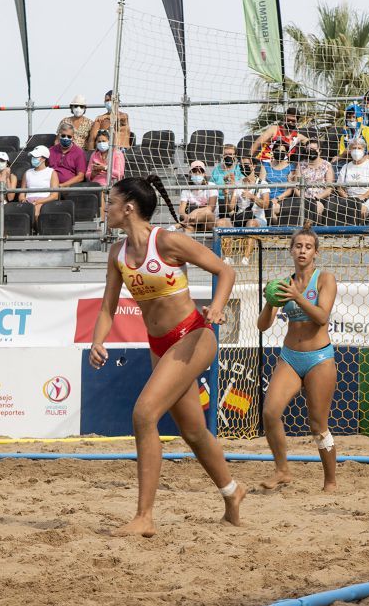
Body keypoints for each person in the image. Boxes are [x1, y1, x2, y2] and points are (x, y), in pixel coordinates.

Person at [89, 175, 243, 537]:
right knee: (193, 431)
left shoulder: (168, 241)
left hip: (194, 334)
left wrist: (217, 307)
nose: (105, 207)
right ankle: (233, 492)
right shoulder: (118, 254)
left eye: (110, 201)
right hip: (161, 347)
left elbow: (226, 269)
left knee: (144, 414)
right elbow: (107, 308)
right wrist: (98, 341)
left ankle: (144, 517)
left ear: (128, 207)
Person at [258, 228, 339, 492]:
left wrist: (296, 297)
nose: (302, 250)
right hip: (290, 357)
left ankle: (330, 481)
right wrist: (271, 301)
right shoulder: (283, 284)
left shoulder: (325, 279)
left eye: (308, 246)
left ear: (316, 252)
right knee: (270, 412)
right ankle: (282, 470)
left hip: (319, 358)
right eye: (298, 246)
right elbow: (262, 326)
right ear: (291, 250)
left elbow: (322, 317)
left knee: (317, 425)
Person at [220, 156, 268, 265]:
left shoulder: (262, 184)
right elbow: (231, 208)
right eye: (241, 165)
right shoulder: (238, 183)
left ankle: (245, 258)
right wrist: (227, 195)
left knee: (251, 223)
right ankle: (228, 257)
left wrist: (252, 197)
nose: (243, 167)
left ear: (253, 166)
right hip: (240, 217)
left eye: (246, 164)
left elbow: (265, 205)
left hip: (257, 219)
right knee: (221, 222)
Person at [336, 137, 369, 221]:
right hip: (350, 198)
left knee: (360, 211)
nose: (356, 150)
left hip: (368, 198)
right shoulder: (345, 167)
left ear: (364, 150)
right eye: (354, 148)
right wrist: (347, 198)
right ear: (350, 150)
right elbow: (339, 187)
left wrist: (363, 197)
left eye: (359, 148)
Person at [291, 139, 334, 227]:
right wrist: (303, 198)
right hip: (303, 197)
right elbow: (296, 187)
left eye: (314, 149)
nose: (312, 151)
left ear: (320, 151)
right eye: (309, 149)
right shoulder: (301, 165)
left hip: (320, 198)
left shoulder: (327, 165)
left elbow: (329, 189)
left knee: (316, 207)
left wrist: (316, 198)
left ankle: (317, 230)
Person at [86, 129, 126, 217]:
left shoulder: (117, 154)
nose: (101, 143)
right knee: (97, 191)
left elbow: (119, 173)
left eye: (104, 141)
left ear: (109, 141)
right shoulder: (94, 155)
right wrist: (94, 173)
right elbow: (88, 175)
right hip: (96, 185)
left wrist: (105, 168)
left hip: (111, 185)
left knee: (101, 193)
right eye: (99, 141)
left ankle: (103, 223)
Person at [20, 145, 59, 222]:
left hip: (44, 201)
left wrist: (38, 202)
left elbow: (55, 196)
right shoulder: (27, 173)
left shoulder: (52, 172)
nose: (33, 158)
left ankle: (38, 232)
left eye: (36, 156)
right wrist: (22, 199)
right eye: (33, 156)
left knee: (36, 212)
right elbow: (21, 193)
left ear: (44, 158)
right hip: (28, 202)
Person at [178, 160, 219, 232]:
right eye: (194, 171)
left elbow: (211, 208)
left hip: (209, 222)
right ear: (190, 173)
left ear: (204, 174)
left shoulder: (211, 186)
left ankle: (177, 225)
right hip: (192, 222)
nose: (197, 173)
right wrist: (188, 217)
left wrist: (195, 212)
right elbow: (181, 211)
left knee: (208, 214)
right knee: (187, 230)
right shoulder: (186, 190)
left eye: (200, 171)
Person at [49, 122, 89, 188]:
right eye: (63, 136)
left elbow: (80, 176)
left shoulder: (79, 152)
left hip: (68, 187)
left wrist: (62, 185)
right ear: (59, 135)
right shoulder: (51, 150)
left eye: (69, 136)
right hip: (50, 185)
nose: (66, 138)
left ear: (73, 137)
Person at [263, 139, 295, 221]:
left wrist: (277, 198)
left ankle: (274, 231)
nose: (279, 153)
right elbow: (261, 183)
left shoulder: (290, 167)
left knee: (273, 207)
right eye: (277, 150)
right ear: (272, 151)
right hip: (266, 197)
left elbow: (290, 189)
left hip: (282, 198)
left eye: (282, 151)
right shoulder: (266, 165)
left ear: (286, 153)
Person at [211, 144, 243, 214]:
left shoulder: (240, 169)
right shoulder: (216, 169)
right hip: (218, 201)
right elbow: (210, 186)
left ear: (235, 155)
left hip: (236, 200)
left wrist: (233, 183)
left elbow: (244, 185)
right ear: (222, 156)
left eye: (231, 154)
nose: (228, 156)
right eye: (225, 154)